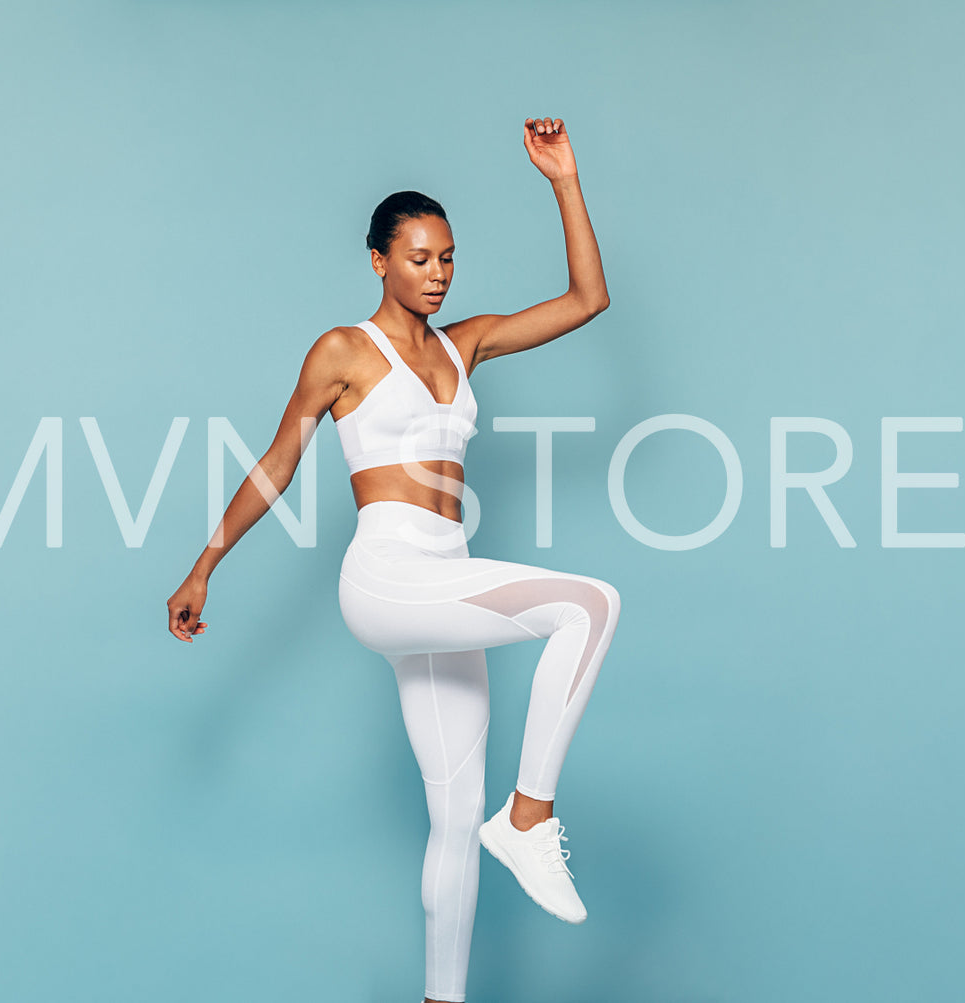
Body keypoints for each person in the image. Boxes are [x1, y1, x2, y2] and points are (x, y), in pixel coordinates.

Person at [167, 116, 621, 1003]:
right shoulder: (344, 349)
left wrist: (563, 180)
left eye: (448, 258)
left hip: (445, 575)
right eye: (419, 258)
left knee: (452, 820)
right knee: (589, 603)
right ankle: (529, 816)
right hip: (386, 577)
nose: (438, 274)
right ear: (378, 259)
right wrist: (203, 564)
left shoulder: (466, 343)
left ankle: (439, 997)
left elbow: (585, 300)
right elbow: (278, 461)